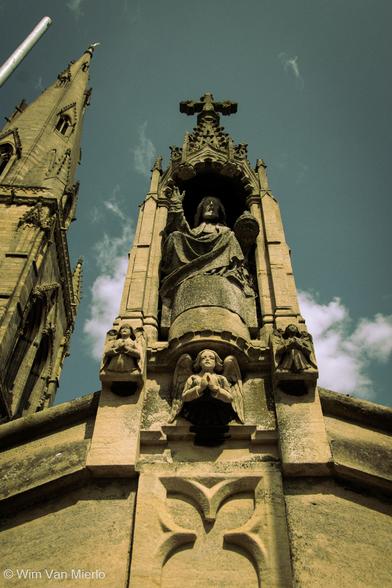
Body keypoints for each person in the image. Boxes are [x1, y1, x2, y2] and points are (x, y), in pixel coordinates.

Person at [160, 187, 254, 298]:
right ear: (201, 209)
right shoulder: (195, 232)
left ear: (219, 211)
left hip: (222, 270)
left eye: (215, 204)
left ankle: (220, 265)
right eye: (207, 203)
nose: (211, 205)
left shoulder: (226, 233)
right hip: (191, 256)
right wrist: (177, 205)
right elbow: (183, 229)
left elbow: (240, 253)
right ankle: (186, 272)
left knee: (230, 236)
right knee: (175, 236)